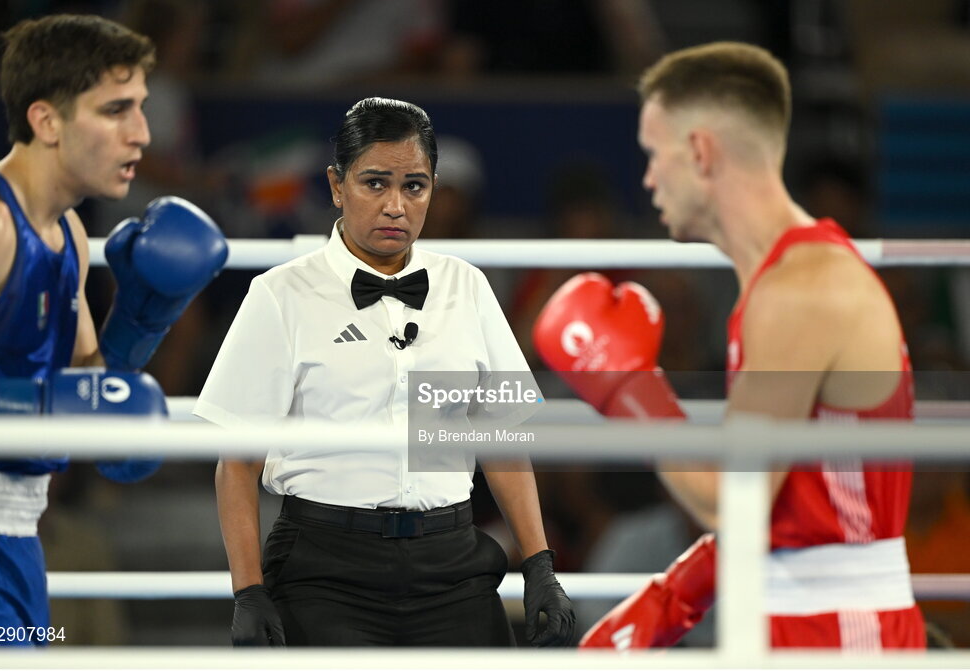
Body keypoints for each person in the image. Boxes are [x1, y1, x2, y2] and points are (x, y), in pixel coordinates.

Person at [535, 42, 925, 649]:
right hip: (796, 617)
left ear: (699, 151)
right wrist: (674, 598)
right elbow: (781, 502)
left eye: (652, 153)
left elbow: (735, 503)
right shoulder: (779, 282)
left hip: (839, 633)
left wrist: (631, 392)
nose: (646, 177)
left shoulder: (803, 290)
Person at [197, 97, 575, 647]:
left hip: (454, 563)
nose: (396, 205)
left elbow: (502, 441)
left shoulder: (467, 285)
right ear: (335, 185)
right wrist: (248, 592)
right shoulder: (279, 293)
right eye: (375, 183)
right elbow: (237, 462)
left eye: (414, 186)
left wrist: (540, 566)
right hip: (322, 570)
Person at [0, 14, 227, 645]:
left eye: (142, 109)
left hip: (14, 533)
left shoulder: (66, 232)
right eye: (116, 111)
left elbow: (87, 393)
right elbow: (46, 404)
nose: (142, 135)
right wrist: (29, 405)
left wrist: (140, 318)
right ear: (47, 120)